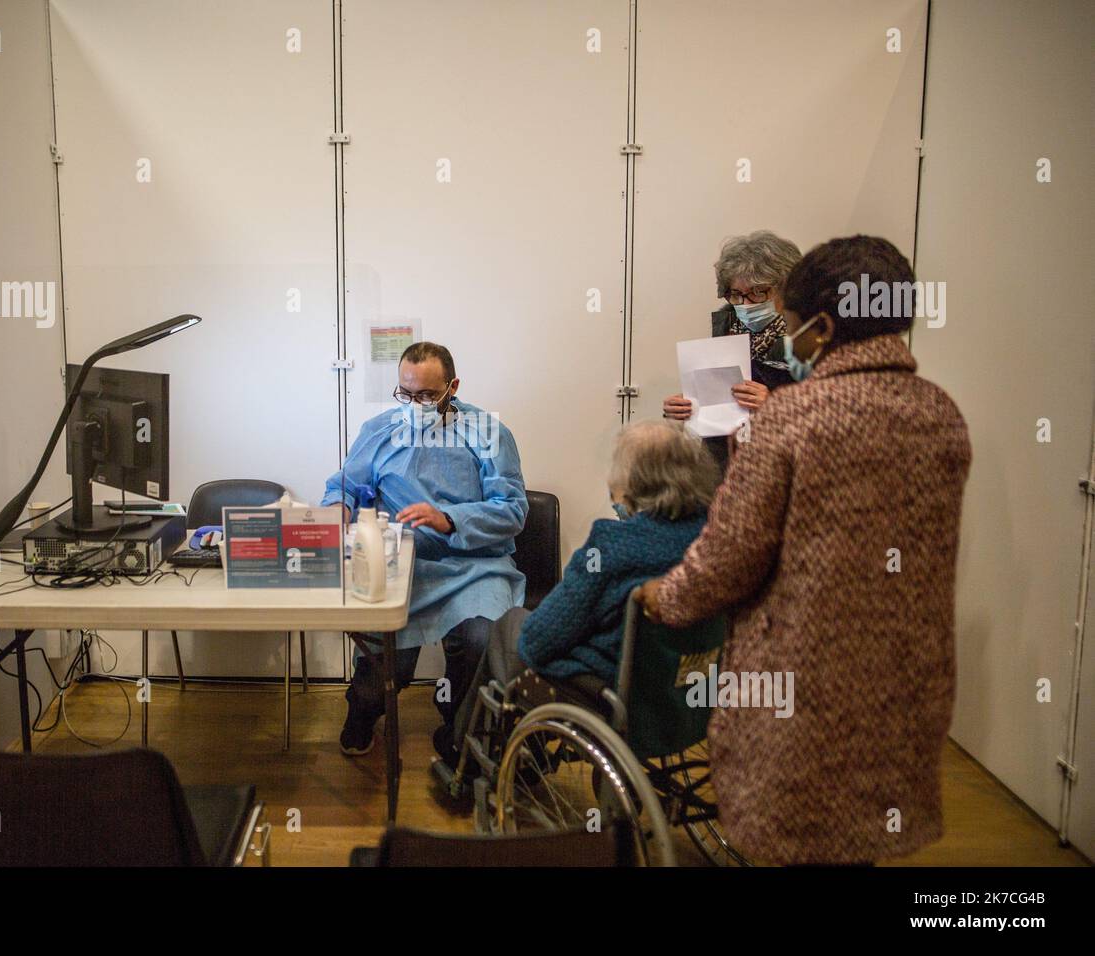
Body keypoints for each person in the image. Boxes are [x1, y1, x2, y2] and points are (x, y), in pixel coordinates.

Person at [638, 235, 972, 865]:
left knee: (802, 837)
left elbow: (730, 558)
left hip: (804, 675)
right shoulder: (940, 412)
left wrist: (665, 597)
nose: (783, 334)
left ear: (821, 326)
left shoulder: (795, 417)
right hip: (907, 671)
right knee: (859, 838)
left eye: (788, 320)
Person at [438, 419, 720, 767]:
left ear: (634, 482)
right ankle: (512, 748)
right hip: (688, 699)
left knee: (509, 625)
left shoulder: (611, 546)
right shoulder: (715, 539)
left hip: (614, 692)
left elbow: (538, 642)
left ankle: (462, 755)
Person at [321, 342, 528, 755]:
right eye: (406, 394)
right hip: (399, 564)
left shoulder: (487, 432)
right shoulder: (379, 431)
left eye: (428, 396)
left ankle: (458, 732)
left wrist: (450, 519)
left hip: (474, 567)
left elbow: (513, 510)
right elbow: (342, 487)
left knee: (479, 640)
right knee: (381, 664)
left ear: (453, 387)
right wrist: (337, 510)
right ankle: (363, 709)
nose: (415, 404)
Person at [663, 231, 802, 472]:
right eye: (736, 294)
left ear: (786, 287)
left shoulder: (807, 334)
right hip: (726, 461)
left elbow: (830, 413)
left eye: (759, 292)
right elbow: (718, 402)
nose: (746, 304)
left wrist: (774, 407)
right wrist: (687, 406)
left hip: (785, 462)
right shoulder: (727, 325)